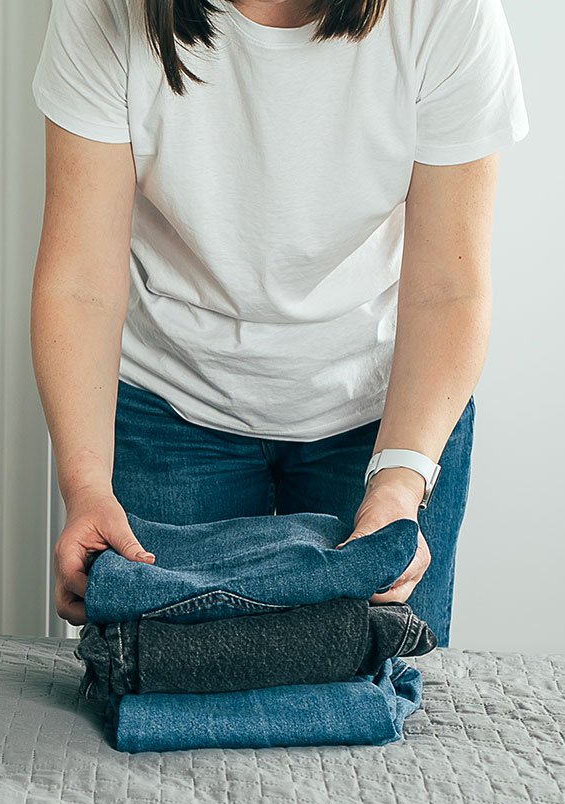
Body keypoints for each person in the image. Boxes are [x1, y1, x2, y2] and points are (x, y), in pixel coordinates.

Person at [30, 0, 527, 644]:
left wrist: (399, 487)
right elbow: (80, 284)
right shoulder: (103, 9)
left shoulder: (447, 13)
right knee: (161, 697)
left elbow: (448, 291)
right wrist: (85, 483)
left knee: (374, 708)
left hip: (382, 416)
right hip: (169, 407)